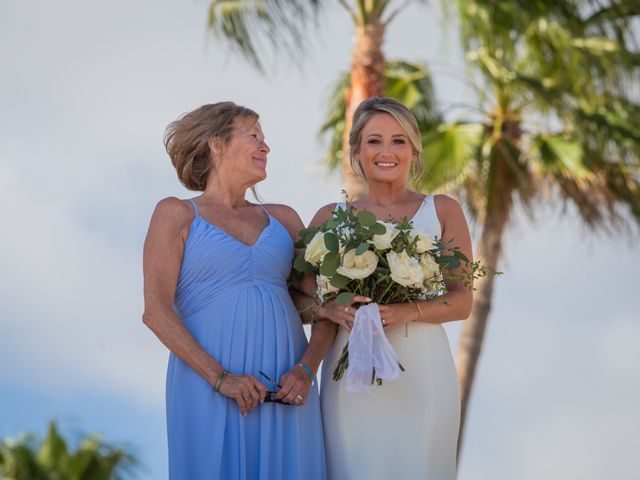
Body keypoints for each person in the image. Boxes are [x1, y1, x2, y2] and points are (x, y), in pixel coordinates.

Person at [142, 102, 331, 479]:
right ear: (217, 144)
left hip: (287, 388)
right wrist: (220, 378)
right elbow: (156, 312)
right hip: (206, 385)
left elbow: (324, 308)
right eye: (254, 136)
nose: (266, 147)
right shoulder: (176, 213)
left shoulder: (284, 219)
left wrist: (306, 371)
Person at [311, 97, 473, 479]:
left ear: (414, 150)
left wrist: (406, 311)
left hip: (422, 369)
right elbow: (299, 297)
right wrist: (328, 309)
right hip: (348, 377)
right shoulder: (327, 219)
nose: (387, 152)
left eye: (399, 141)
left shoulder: (443, 211)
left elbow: (462, 301)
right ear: (356, 150)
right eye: (374, 141)